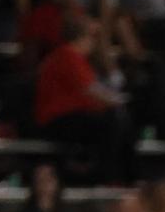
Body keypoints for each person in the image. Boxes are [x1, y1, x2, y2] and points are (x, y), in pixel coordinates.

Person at [34, 17, 132, 185]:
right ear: (82, 37)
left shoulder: (75, 57)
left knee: (119, 119)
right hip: (57, 121)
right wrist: (119, 101)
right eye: (92, 37)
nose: (95, 43)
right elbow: (93, 91)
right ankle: (105, 176)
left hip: (73, 117)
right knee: (114, 120)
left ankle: (120, 175)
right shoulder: (67, 55)